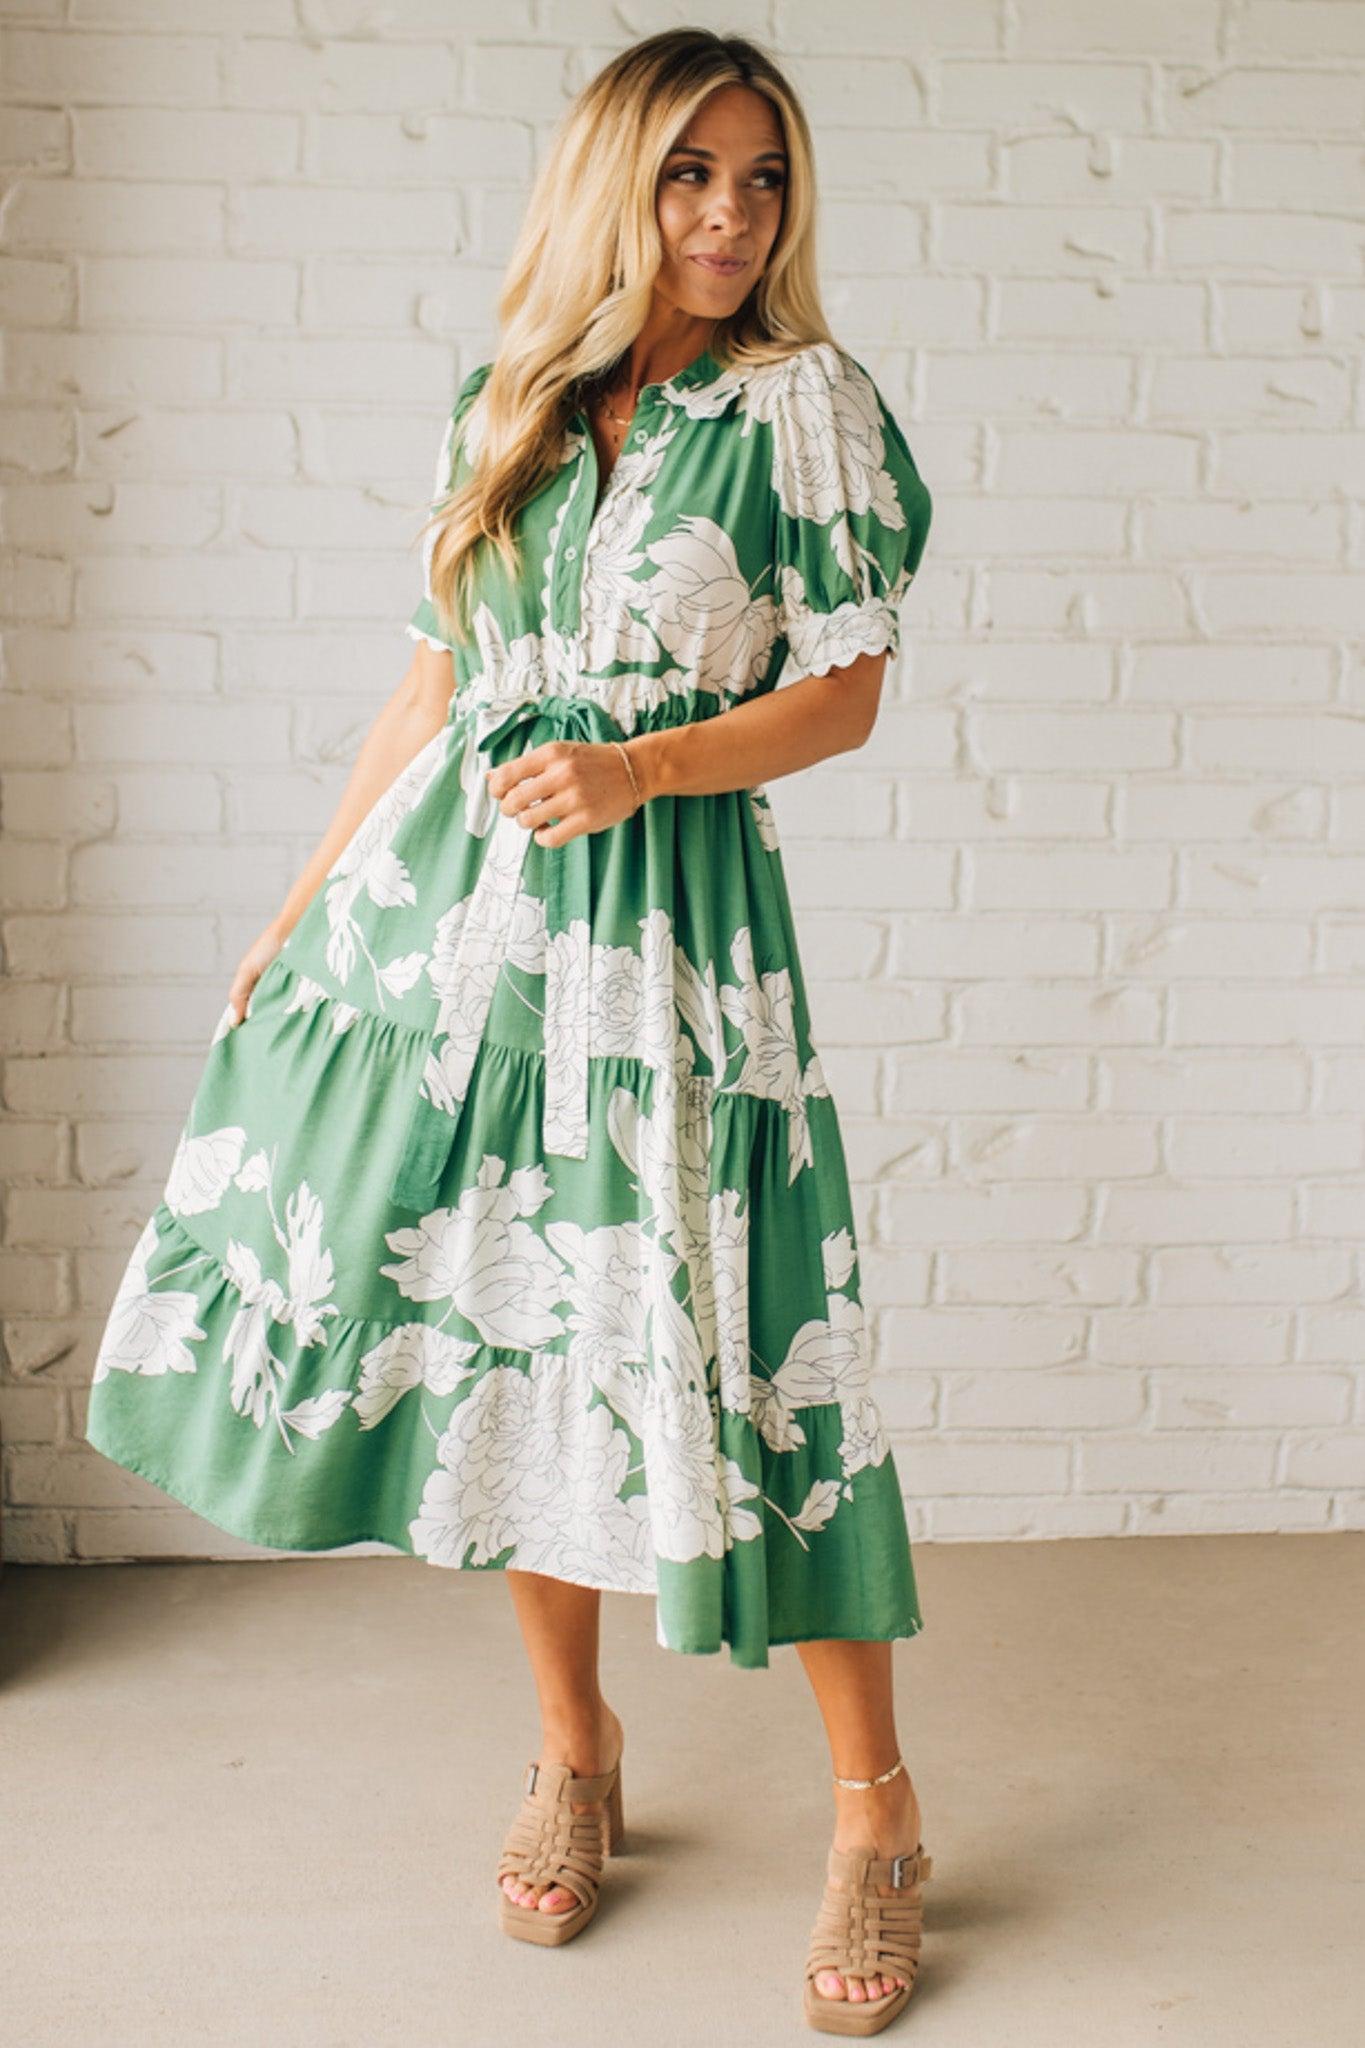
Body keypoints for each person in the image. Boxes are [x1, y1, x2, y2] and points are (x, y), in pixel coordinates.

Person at [83, 27, 935, 2037]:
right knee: (502, 1322)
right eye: (686, 175)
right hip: (450, 938)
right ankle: (573, 1744)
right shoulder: (510, 407)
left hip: (671, 937)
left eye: (761, 179)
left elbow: (844, 697)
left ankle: (877, 1810)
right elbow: (425, 697)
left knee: (741, 1344)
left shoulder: (800, 407)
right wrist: (289, 919)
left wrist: (643, 772)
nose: (727, 216)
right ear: (609, 186)